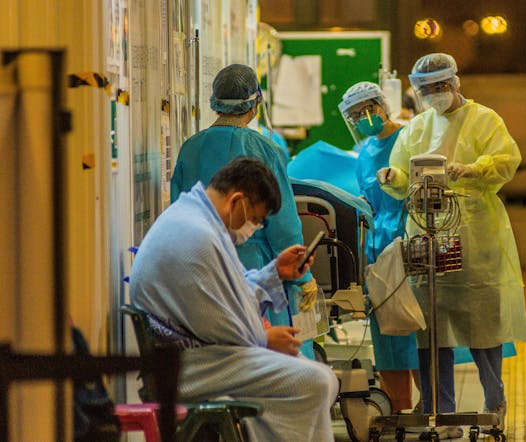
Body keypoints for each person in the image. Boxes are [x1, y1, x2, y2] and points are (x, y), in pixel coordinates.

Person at [131, 158, 339, 441]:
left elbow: (232, 293)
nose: (253, 227)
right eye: (256, 219)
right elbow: (229, 327)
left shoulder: (196, 220)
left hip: (203, 357)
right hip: (189, 368)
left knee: (318, 377)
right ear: (237, 201)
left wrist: (274, 273)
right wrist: (265, 339)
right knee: (313, 381)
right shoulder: (198, 236)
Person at [378, 53, 526, 437]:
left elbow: (508, 159)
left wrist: (474, 169)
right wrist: (391, 175)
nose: (434, 95)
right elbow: (400, 177)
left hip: (476, 234)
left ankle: (493, 402)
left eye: (440, 88)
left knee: (482, 322)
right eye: (427, 90)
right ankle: (437, 411)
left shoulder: (484, 119)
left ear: (455, 83)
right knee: (431, 326)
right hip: (427, 233)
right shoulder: (417, 127)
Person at [170, 64, 319, 358]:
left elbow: (180, 207)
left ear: (215, 101)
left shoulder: (190, 148)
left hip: (205, 264)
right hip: (258, 261)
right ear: (255, 102)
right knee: (280, 360)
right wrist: (303, 276)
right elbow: (283, 224)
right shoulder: (265, 149)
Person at [339, 81, 420, 412]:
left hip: (408, 240)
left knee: (413, 327)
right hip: (376, 247)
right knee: (386, 331)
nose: (363, 118)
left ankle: (429, 403)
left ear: (382, 105)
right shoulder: (365, 153)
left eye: (367, 110)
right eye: (356, 114)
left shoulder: (407, 138)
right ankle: (397, 406)